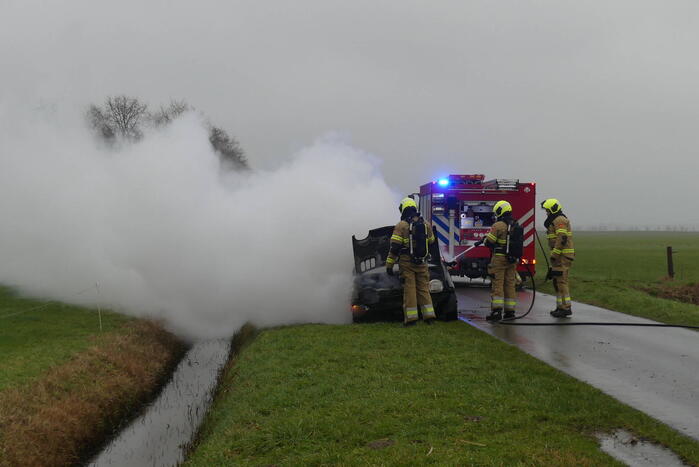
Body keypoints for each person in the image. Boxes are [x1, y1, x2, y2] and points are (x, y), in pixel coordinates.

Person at [386, 197, 437, 326]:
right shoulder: (425, 223)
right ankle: (429, 317)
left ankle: (411, 319)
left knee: (410, 289)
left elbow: (394, 248)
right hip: (422, 262)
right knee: (424, 289)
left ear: (403, 209)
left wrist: (389, 265)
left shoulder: (401, 225)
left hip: (406, 263)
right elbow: (432, 241)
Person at [475, 200, 517, 321]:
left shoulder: (498, 225)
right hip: (512, 260)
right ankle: (510, 312)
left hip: (499, 259)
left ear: (500, 211)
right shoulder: (515, 225)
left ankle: (496, 311)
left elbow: (490, 242)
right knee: (510, 284)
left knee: (497, 284)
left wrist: (485, 240)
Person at [541, 198, 575, 317]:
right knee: (557, 282)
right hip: (559, 256)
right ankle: (560, 307)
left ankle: (566, 308)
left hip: (562, 256)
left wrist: (554, 254)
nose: (546, 213)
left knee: (561, 281)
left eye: (547, 210)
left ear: (553, 209)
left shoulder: (560, 220)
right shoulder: (556, 220)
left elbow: (562, 238)